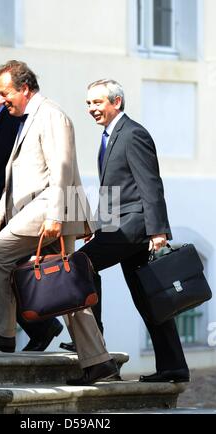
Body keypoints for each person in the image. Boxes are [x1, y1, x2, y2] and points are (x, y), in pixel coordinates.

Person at [0, 61, 119, 386]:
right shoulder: (27, 118)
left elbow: (61, 167)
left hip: (49, 209)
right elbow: (21, 170)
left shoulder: (50, 115)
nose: (1, 98)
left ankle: (2, 331)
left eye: (4, 93)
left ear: (24, 88)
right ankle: (98, 362)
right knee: (67, 289)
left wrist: (53, 216)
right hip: (37, 211)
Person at [78, 78, 189, 383]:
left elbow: (150, 184)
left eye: (97, 102)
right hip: (119, 225)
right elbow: (114, 190)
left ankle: (92, 342)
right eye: (88, 103)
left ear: (116, 102)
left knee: (79, 265)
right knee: (149, 297)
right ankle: (174, 367)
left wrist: (158, 231)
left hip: (135, 227)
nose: (91, 109)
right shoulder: (108, 137)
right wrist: (99, 227)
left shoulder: (133, 133)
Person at [0, 72, 63, 351]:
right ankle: (39, 328)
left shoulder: (12, 123)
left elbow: (24, 173)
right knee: (1, 284)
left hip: (13, 217)